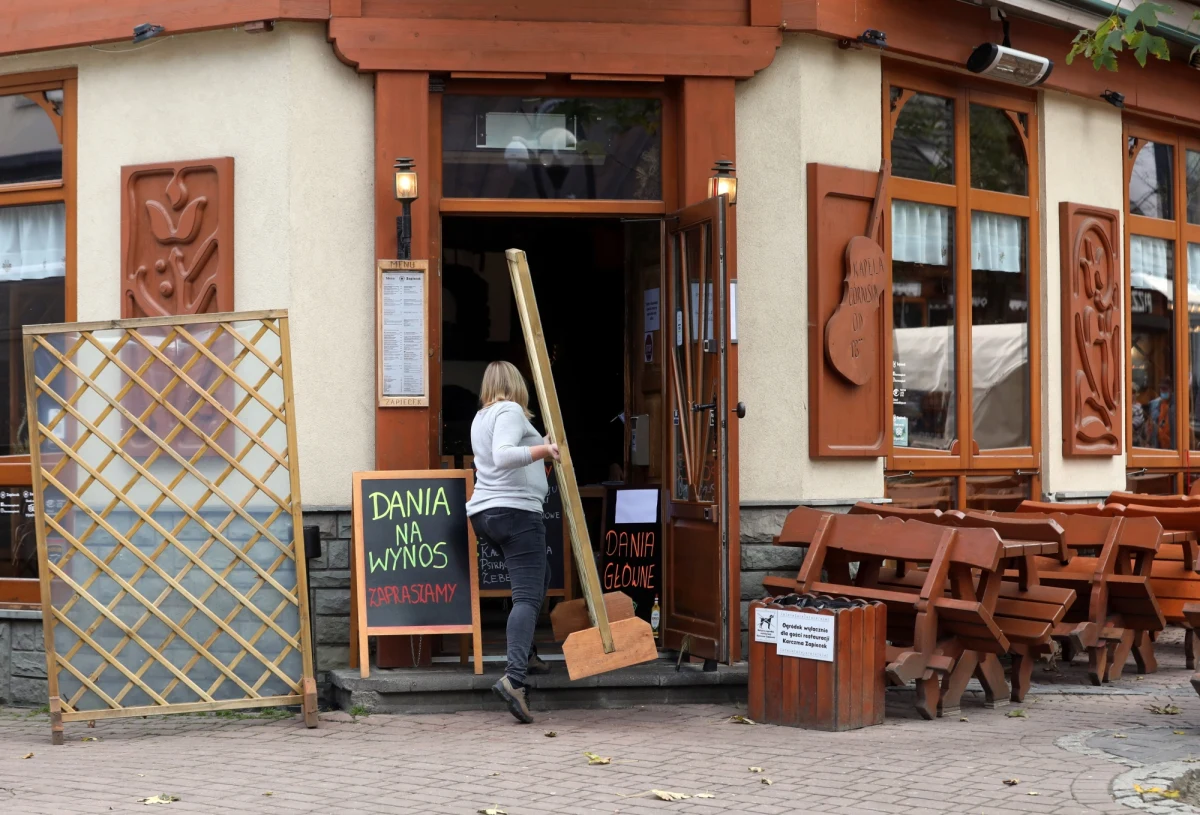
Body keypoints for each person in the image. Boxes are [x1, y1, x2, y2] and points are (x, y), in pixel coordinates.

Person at [465, 360, 560, 724]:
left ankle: (529, 653)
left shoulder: (481, 417)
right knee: (526, 596)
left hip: (486, 515)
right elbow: (505, 456)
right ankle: (515, 678)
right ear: (516, 384)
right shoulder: (509, 411)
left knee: (540, 578)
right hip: (516, 513)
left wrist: (540, 447)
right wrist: (545, 451)